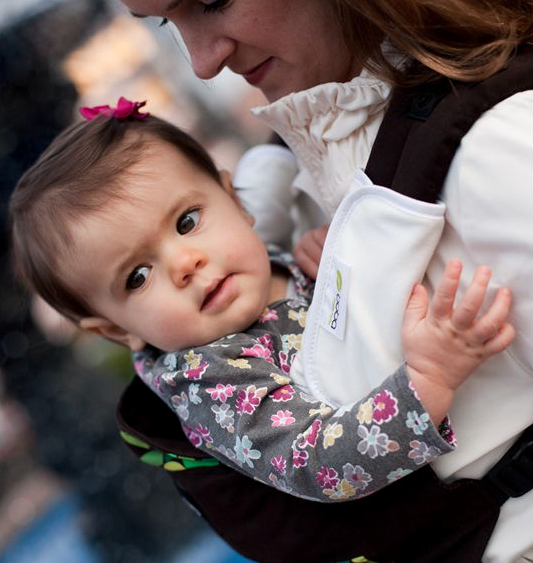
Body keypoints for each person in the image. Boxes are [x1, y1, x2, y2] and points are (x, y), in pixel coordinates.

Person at [114, 1, 533, 561]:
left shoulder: (493, 150)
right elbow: (316, 458)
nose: (202, 64)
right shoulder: (318, 160)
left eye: (211, 0)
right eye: (168, 23)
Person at [9, 98, 515, 505]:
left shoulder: (268, 263)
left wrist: (327, 256)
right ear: (118, 331)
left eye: (186, 221)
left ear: (235, 202)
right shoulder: (210, 379)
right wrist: (430, 379)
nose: (185, 262)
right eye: (137, 277)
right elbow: (317, 462)